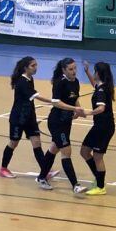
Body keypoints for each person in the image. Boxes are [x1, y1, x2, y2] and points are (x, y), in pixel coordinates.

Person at [0, 56, 59, 181]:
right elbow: (37, 96)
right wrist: (54, 102)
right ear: (26, 67)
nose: (36, 68)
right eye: (33, 65)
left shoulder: (30, 79)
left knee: (37, 143)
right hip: (18, 118)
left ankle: (45, 170)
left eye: (36, 65)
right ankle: (3, 168)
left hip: (30, 118)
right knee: (13, 143)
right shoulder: (21, 81)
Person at [36, 58, 86, 192]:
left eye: (75, 68)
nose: (74, 71)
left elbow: (75, 98)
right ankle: (75, 185)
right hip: (56, 121)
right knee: (66, 151)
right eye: (71, 69)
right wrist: (73, 109)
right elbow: (56, 102)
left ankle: (41, 177)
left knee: (54, 149)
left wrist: (78, 109)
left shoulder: (75, 82)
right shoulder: (59, 83)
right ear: (64, 70)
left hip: (66, 121)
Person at [79, 61, 116, 196]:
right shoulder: (102, 86)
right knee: (84, 151)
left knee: (97, 157)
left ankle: (100, 187)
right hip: (99, 126)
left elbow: (101, 108)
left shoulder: (101, 91)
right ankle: (98, 178)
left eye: (94, 71)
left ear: (99, 74)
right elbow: (94, 84)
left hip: (104, 127)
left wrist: (86, 113)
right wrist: (87, 71)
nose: (93, 74)